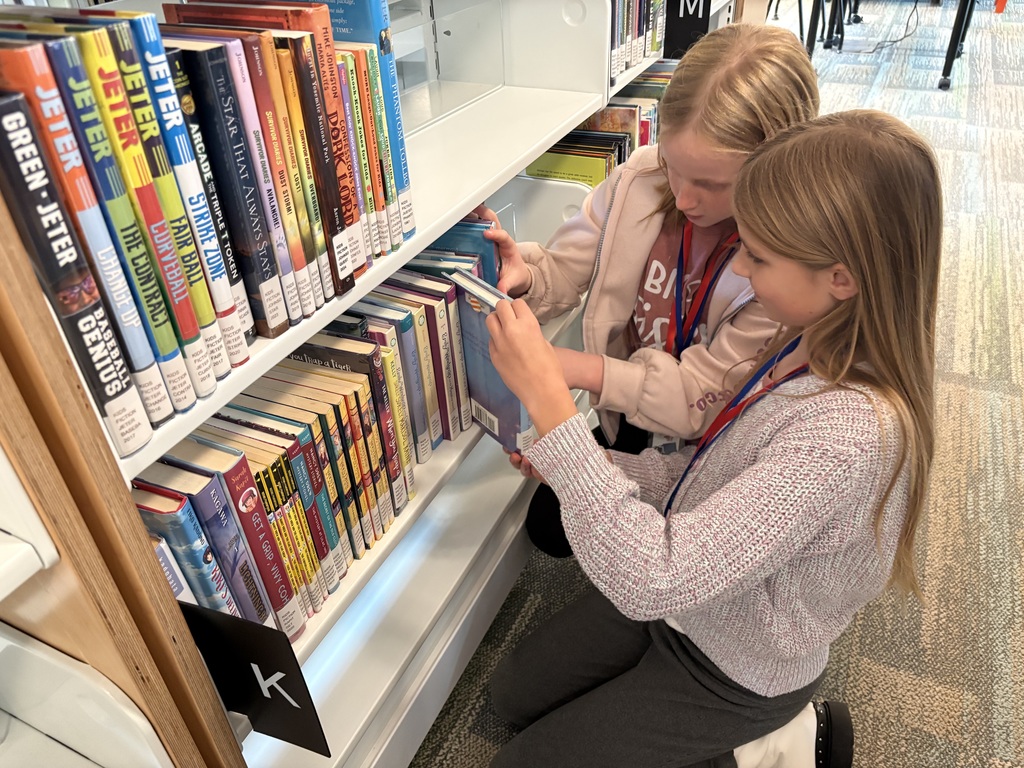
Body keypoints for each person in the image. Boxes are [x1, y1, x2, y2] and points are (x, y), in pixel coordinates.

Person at [483, 109, 941, 768]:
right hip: (692, 592)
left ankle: (781, 743)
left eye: (758, 254)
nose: (744, 271)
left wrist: (558, 418)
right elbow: (713, 474)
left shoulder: (845, 435)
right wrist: (597, 465)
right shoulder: (807, 339)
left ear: (841, 277)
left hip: (738, 663)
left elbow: (650, 577)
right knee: (511, 698)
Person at [475, 23, 820, 558]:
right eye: (672, 167)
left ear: (773, 171)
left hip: (706, 437)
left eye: (711, 184)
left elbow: (698, 398)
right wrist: (529, 276)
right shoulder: (638, 181)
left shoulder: (785, 275)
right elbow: (567, 268)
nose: (683, 198)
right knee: (551, 527)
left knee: (659, 547)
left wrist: (562, 371)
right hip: (626, 407)